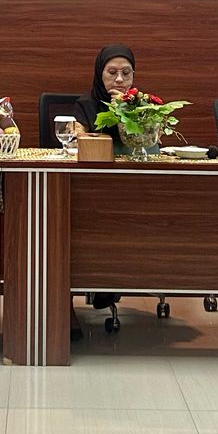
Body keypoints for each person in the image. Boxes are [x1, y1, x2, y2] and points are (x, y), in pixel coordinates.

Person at [71, 44, 137, 317]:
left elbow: (149, 142)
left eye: (126, 73)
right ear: (100, 74)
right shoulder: (84, 105)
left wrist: (125, 112)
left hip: (133, 187)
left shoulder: (143, 106)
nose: (119, 80)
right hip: (93, 188)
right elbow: (77, 139)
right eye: (112, 73)